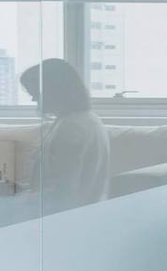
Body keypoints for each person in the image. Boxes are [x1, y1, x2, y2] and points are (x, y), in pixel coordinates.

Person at [18, 58, 110, 214]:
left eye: (36, 93)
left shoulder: (71, 129)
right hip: (80, 213)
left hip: (64, 218)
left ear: (54, 90)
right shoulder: (86, 119)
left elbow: (64, 193)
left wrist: (16, 200)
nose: (34, 99)